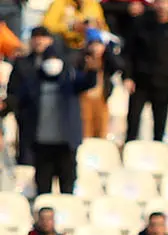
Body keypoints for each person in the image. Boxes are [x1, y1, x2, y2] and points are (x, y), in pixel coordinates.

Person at [5, 26, 98, 195]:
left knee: (67, 186)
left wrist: (92, 70)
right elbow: (16, 99)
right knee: (43, 187)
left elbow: (87, 83)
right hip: (42, 143)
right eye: (49, 59)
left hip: (65, 143)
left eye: (55, 59)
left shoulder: (70, 79)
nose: (52, 63)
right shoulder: (33, 82)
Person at [124, 0, 168, 143]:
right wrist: (127, 76)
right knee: (133, 123)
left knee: (160, 127)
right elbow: (129, 52)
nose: (162, 6)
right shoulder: (141, 22)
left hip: (163, 81)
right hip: (140, 81)